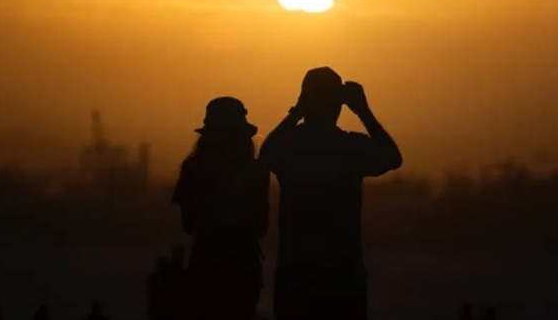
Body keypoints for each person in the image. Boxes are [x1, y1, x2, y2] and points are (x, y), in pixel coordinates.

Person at [260, 67, 402, 320]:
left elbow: (267, 153)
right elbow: (391, 157)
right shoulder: (349, 148)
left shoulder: (291, 147)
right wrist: (364, 112)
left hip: (297, 273)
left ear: (305, 100)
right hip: (342, 275)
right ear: (338, 106)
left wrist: (296, 111)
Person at [171, 97, 269, 320]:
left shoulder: (193, 168)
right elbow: (261, 226)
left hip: (205, 266)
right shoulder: (256, 172)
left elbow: (188, 225)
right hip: (244, 267)